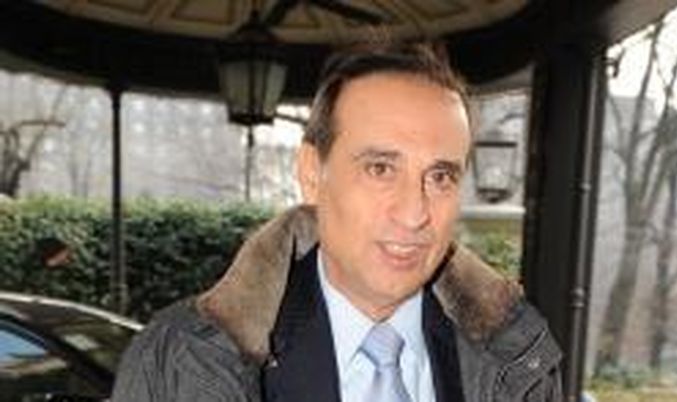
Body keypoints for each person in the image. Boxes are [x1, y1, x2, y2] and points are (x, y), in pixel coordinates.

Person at [111, 41, 562, 402]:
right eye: (380, 168)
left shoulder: (518, 358)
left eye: (440, 177)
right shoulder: (177, 362)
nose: (414, 213)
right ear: (312, 173)